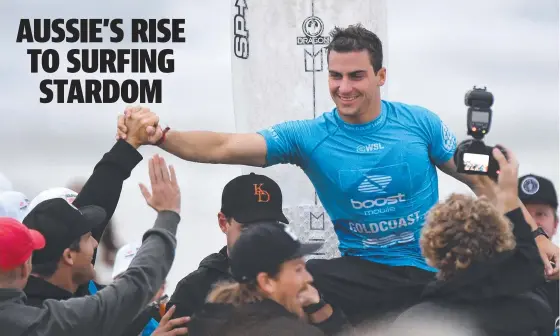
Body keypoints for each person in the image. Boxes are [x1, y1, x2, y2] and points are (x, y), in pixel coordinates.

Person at [116, 24, 559, 323]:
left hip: (434, 273)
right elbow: (224, 146)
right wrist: (161, 135)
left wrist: (536, 237)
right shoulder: (309, 136)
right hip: (363, 274)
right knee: (295, 282)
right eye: (335, 76)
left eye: (356, 76)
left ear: (381, 75)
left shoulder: (419, 123)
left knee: (525, 298)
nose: (344, 88)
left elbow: (482, 180)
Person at [0, 154, 187, 335]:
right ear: (26, 267)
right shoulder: (53, 322)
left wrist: (125, 149)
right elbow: (138, 283)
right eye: (88, 237)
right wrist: (167, 215)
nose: (96, 242)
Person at [396, 147, 555, 336]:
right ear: (502, 243)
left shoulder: (413, 322)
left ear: (430, 249)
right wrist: (508, 198)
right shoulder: (534, 313)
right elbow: (525, 264)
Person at [188, 221, 350, 336]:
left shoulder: (204, 322)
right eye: (298, 270)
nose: (308, 277)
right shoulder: (293, 333)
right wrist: (324, 314)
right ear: (267, 282)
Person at [167, 172, 289, 319]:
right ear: (223, 223)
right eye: (248, 229)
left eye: (269, 227)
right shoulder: (194, 289)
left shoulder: (294, 279)